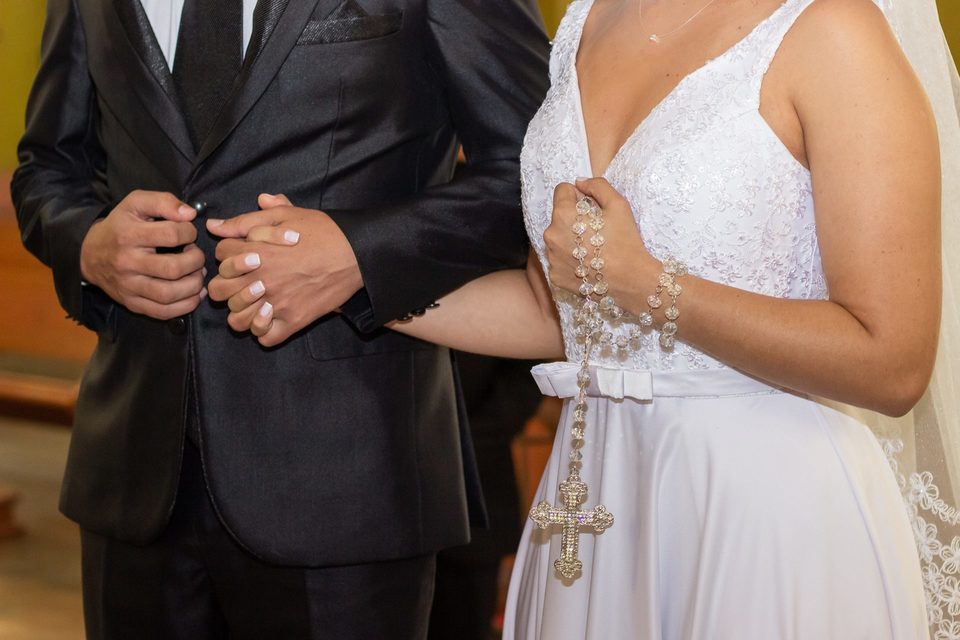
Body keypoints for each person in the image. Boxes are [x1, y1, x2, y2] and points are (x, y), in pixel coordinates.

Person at [224, 0, 960, 636]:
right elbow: (554, 312)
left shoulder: (832, 31)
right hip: (593, 491)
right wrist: (350, 276)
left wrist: (650, 287)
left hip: (760, 507)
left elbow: (891, 361)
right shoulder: (588, 22)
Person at [11, 1, 549, 638]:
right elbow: (48, 168)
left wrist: (358, 253)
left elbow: (535, 172)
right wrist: (88, 245)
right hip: (132, 468)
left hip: (350, 473)